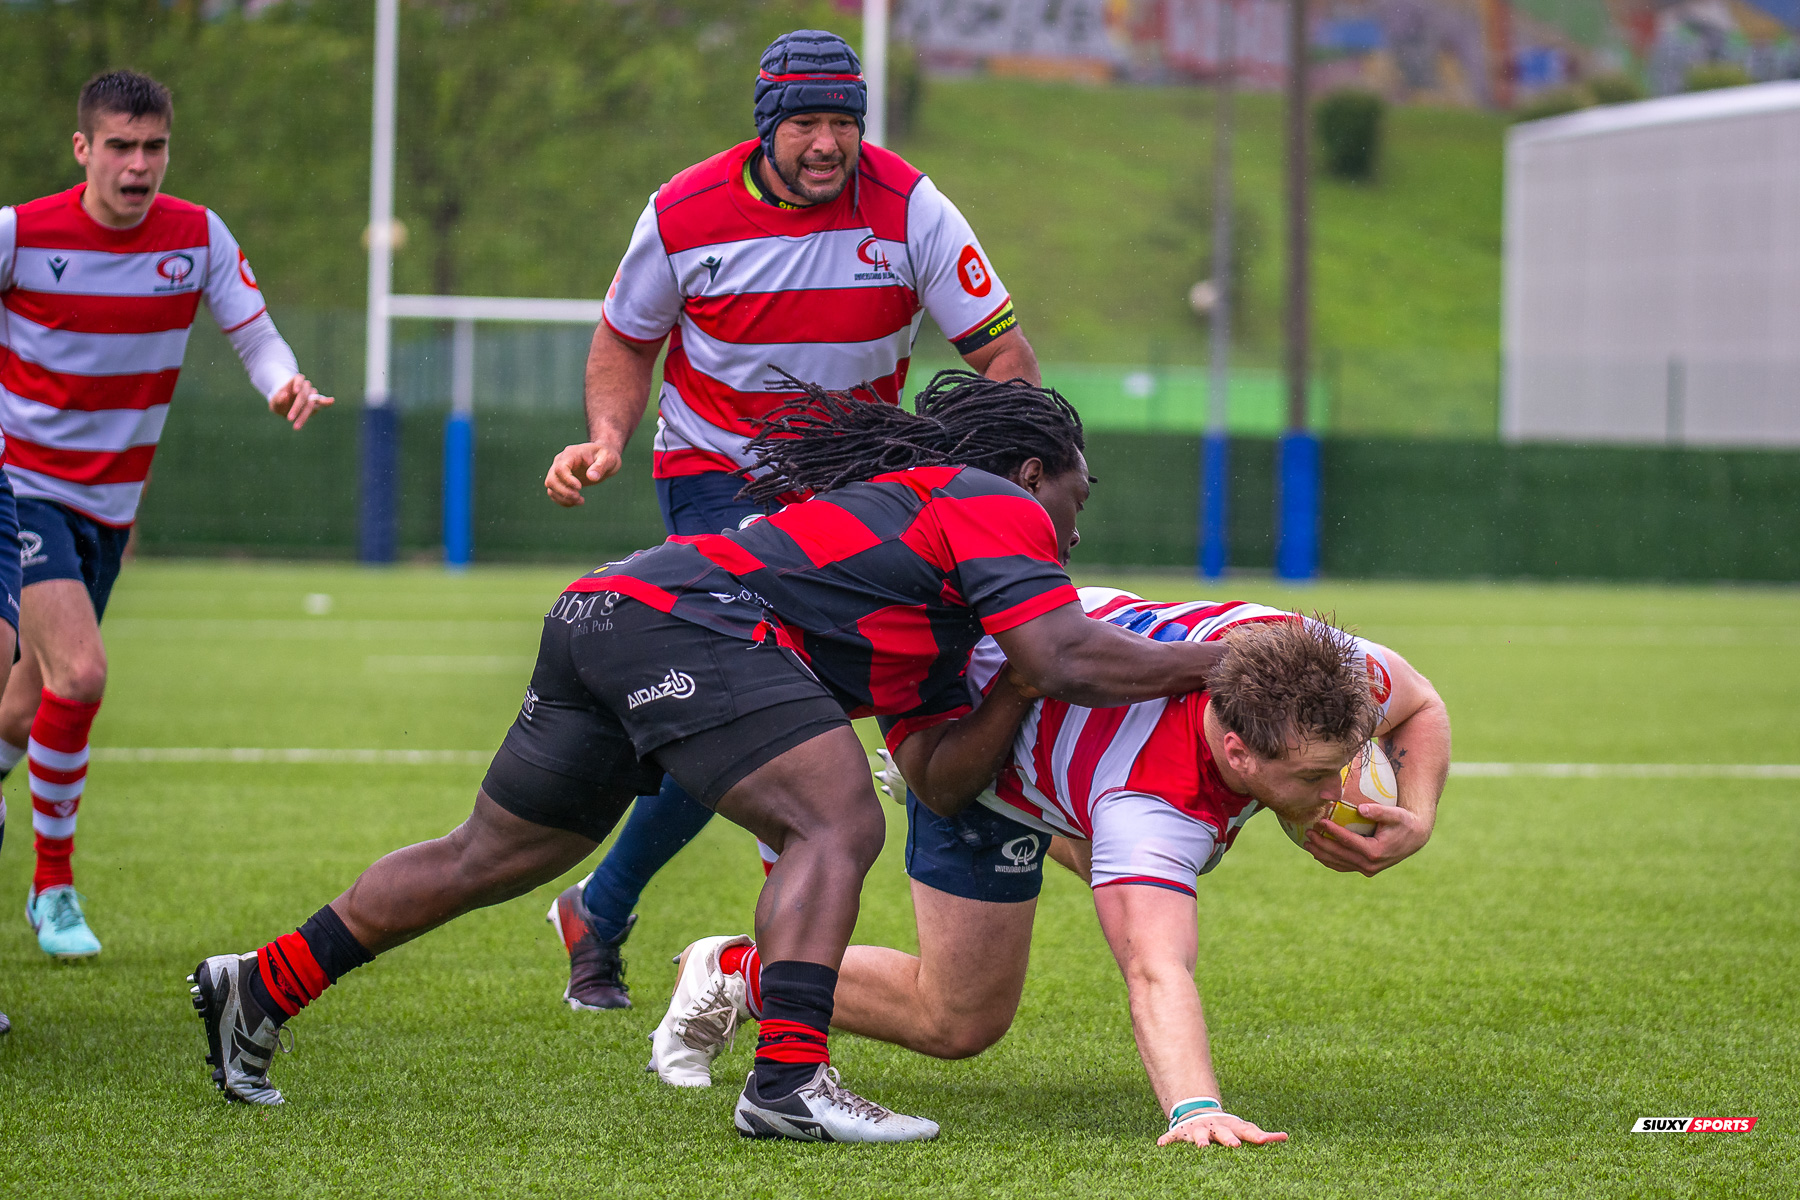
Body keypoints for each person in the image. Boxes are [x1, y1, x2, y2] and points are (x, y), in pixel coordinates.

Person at [190, 374, 1231, 1143]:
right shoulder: (982, 494)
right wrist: (1221, 660)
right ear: (1032, 473)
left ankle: (263, 984)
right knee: (836, 821)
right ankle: (787, 1085)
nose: (1073, 535)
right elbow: (1063, 646)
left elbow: (941, 777)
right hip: (682, 614)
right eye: (1076, 503)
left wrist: (1012, 687)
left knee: (488, 858)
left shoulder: (938, 612)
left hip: (606, 609)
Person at [537, 28, 1040, 1012]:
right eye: (806, 123)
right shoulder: (684, 212)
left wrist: (1000, 487)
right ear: (767, 126)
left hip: (855, 487)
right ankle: (779, 987)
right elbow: (625, 339)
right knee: (765, 711)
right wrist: (605, 436)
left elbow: (1007, 359)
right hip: (715, 473)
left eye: (842, 123)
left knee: (758, 717)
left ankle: (605, 908)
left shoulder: (910, 206)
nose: (827, 144)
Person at [645, 587, 1452, 1148]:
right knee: (959, 1019)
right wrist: (1196, 1108)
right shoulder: (1150, 805)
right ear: (1236, 752)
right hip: (969, 748)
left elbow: (1420, 705)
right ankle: (735, 971)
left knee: (1132, 870)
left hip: (1057, 690)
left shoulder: (1324, 667)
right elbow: (1155, 969)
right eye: (1317, 777)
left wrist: (1414, 821)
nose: (1339, 788)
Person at [0, 70, 331, 959]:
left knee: (22, 709)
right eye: (120, 146)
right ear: (83, 149)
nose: (138, 166)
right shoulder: (21, 235)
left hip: (110, 506)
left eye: (153, 148)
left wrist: (284, 382)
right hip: (19, 486)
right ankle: (53, 890)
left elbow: (254, 333)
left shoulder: (196, 237)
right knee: (82, 675)